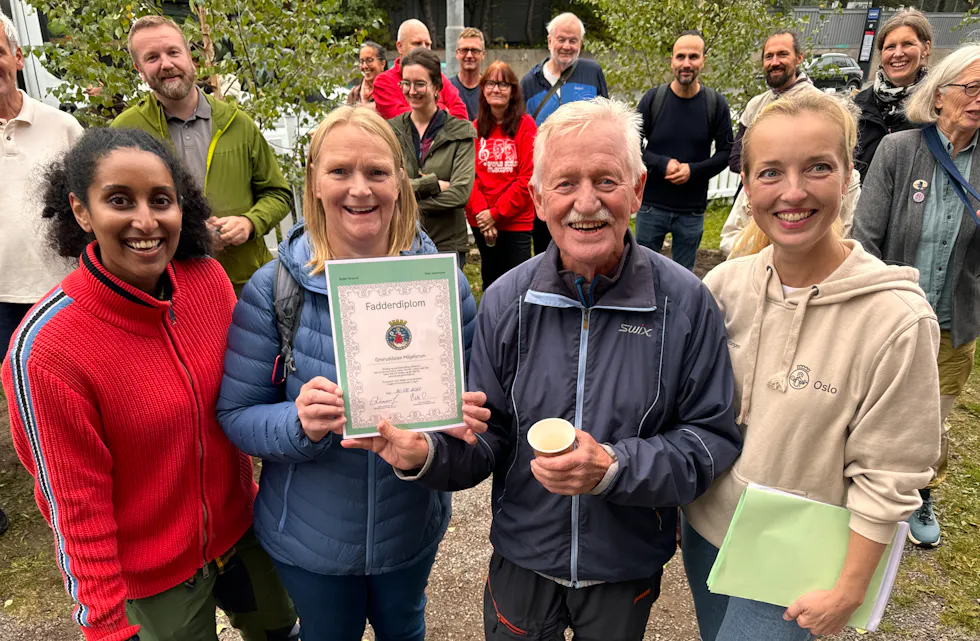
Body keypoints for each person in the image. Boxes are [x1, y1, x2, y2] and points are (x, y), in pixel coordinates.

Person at [347, 98, 742, 641]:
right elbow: (485, 439)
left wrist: (613, 467)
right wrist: (427, 455)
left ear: (638, 190)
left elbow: (710, 440)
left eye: (606, 180)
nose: (587, 203)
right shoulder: (508, 299)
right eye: (564, 183)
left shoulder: (684, 301)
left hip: (625, 563)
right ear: (537, 197)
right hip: (522, 555)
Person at [1, 127, 298, 641]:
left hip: (240, 532)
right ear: (80, 211)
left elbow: (254, 395)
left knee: (282, 632)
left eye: (161, 200)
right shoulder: (46, 350)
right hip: (153, 577)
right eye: (120, 200)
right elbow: (74, 506)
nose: (145, 220)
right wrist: (106, 625)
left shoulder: (207, 282)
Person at [216, 105, 486, 641]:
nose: (359, 189)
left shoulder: (442, 289)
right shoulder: (273, 290)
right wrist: (298, 422)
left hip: (408, 527)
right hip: (309, 537)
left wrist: (458, 423)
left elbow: (473, 414)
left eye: (377, 172)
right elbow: (236, 415)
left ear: (401, 184)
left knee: (404, 628)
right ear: (314, 182)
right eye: (339, 171)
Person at [685, 91, 941, 641]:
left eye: (818, 167)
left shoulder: (895, 320)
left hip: (795, 560)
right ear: (748, 186)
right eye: (771, 172)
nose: (793, 192)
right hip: (706, 531)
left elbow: (892, 471)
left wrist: (849, 589)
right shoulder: (725, 287)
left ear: (849, 174)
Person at [851, 44, 980, 549]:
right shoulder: (901, 150)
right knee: (875, 407)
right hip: (891, 317)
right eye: (971, 88)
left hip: (955, 318)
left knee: (933, 417)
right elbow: (865, 238)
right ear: (940, 93)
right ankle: (863, 483)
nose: (978, 99)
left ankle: (922, 488)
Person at [113, 15, 293, 294]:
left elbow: (278, 195)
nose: (166, 64)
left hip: (243, 284)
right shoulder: (125, 131)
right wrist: (188, 235)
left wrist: (250, 222)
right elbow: (114, 212)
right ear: (139, 69)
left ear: (190, 56)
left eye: (173, 52)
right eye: (152, 58)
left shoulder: (238, 123)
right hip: (163, 288)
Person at [1, 13, 83, 354]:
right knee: (22, 390)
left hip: (64, 290)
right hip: (1, 302)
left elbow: (92, 206)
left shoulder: (63, 127)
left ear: (18, 58)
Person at [636, 30, 733, 272]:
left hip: (691, 210)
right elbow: (631, 145)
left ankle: (679, 312)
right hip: (651, 206)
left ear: (703, 61)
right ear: (672, 61)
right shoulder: (653, 99)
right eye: (680, 57)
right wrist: (662, 163)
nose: (686, 64)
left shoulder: (715, 104)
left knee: (684, 277)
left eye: (693, 57)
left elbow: (725, 153)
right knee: (640, 270)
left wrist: (694, 170)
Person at [521, 12, 608, 255]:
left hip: (588, 177)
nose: (567, 46)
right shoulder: (530, 82)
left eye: (573, 40)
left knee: (586, 234)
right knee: (545, 241)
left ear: (581, 43)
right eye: (561, 39)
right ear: (550, 41)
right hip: (549, 179)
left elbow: (606, 119)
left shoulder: (592, 73)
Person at [389, 48, 476, 269]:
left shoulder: (461, 132)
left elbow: (460, 194)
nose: (411, 90)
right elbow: (388, 186)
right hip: (402, 240)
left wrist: (405, 199)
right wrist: (432, 184)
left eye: (419, 84)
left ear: (436, 87)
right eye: (405, 83)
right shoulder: (392, 130)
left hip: (447, 244)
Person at [466, 61, 536, 291]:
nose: (496, 89)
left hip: (515, 221)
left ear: (513, 90)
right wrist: (483, 215)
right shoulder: (475, 127)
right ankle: (492, 326)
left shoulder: (526, 125)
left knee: (518, 285)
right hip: (483, 220)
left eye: (503, 84)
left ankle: (518, 327)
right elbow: (469, 175)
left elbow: (527, 177)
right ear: (483, 89)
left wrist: (496, 214)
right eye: (491, 83)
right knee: (491, 281)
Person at [855, 9, 934, 180]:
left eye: (907, 44)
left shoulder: (937, 107)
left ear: (925, 48)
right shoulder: (857, 106)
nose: (898, 54)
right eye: (890, 46)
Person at [729, 30, 819, 175]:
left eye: (783, 54)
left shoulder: (819, 105)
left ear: (799, 58)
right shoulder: (756, 104)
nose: (775, 62)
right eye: (769, 56)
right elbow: (735, 159)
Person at [372, 19, 468, 121]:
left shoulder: (438, 77)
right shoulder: (384, 82)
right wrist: (443, 110)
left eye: (427, 44)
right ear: (400, 47)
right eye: (417, 43)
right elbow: (406, 123)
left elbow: (461, 116)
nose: (424, 49)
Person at [450, 28, 486, 120]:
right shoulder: (447, 89)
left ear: (483, 54)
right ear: (457, 53)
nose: (469, 55)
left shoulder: (491, 89)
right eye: (464, 50)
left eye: (475, 51)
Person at [347, 41, 388, 108]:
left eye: (369, 60)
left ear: (382, 64)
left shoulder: (392, 92)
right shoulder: (355, 94)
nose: (364, 66)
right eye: (361, 61)